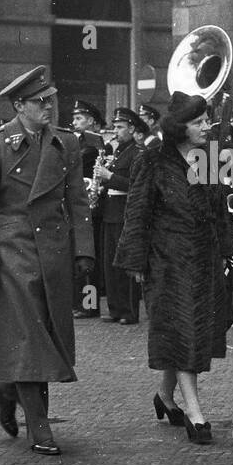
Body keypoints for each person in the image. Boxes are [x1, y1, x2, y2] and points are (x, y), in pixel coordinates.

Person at [0, 66, 95, 456]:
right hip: (11, 252)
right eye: (39, 102)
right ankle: (40, 427)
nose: (48, 108)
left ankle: (7, 390)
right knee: (30, 336)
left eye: (51, 100)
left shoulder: (66, 145)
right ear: (19, 105)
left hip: (52, 251)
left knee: (47, 334)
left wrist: (84, 249)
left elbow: (78, 201)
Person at [115, 92, 233, 444]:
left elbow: (218, 210)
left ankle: (165, 398)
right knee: (185, 331)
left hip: (205, 259)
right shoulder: (153, 160)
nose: (206, 126)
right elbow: (137, 212)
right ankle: (195, 414)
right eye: (198, 122)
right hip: (167, 262)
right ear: (179, 126)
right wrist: (135, 261)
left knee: (190, 333)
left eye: (207, 120)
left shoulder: (208, 159)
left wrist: (227, 250)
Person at [96, 107, 145, 324]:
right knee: (110, 264)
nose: (115, 131)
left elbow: (135, 185)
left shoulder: (137, 152)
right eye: (114, 127)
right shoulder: (117, 152)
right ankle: (115, 308)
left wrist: (109, 176)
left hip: (125, 213)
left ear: (132, 128)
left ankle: (129, 311)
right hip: (110, 212)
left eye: (120, 127)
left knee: (125, 264)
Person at [71, 100, 106, 319]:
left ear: (91, 121)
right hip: (79, 207)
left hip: (91, 207)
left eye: (78, 119)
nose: (74, 123)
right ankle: (82, 303)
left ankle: (90, 305)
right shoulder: (80, 144)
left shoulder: (95, 147)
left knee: (88, 261)